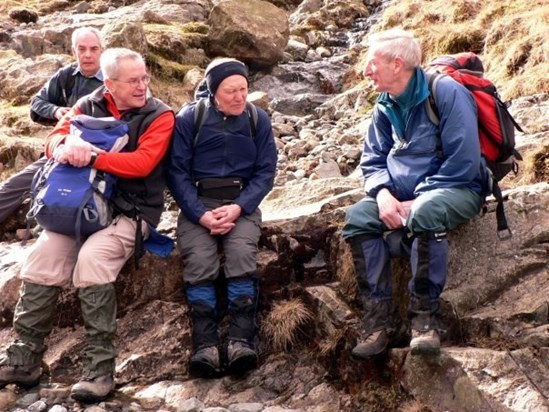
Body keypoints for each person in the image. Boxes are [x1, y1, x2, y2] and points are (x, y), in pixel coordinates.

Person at [0, 48, 175, 402]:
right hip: (79, 208)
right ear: (109, 84)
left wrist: (94, 156)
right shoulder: (86, 104)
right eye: (134, 81)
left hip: (132, 211)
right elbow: (50, 141)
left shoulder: (160, 115)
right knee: (41, 257)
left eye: (145, 78)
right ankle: (24, 359)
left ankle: (100, 369)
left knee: (93, 259)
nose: (143, 86)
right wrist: (64, 146)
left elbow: (142, 164)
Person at [342, 29, 488, 359]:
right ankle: (379, 321)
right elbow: (373, 159)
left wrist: (417, 199)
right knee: (357, 218)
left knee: (425, 212)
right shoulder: (384, 105)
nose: (366, 70)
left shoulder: (446, 93)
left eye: (372, 62)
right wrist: (381, 194)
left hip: (456, 189)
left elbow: (463, 161)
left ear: (397, 64)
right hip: (401, 197)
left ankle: (425, 320)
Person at [167, 58, 277, 378]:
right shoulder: (191, 118)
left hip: (241, 203)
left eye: (244, 89)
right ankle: (206, 346)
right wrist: (200, 215)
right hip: (197, 204)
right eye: (231, 90)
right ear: (215, 91)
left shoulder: (259, 120)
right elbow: (176, 172)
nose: (240, 97)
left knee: (242, 253)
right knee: (200, 261)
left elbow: (266, 171)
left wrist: (240, 207)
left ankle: (242, 341)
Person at [0, 27, 105, 225]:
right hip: (62, 151)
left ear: (102, 50)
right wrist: (56, 111)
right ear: (73, 51)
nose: (88, 55)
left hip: (101, 156)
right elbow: (37, 103)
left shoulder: (114, 78)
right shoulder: (66, 75)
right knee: (11, 187)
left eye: (94, 49)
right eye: (81, 49)